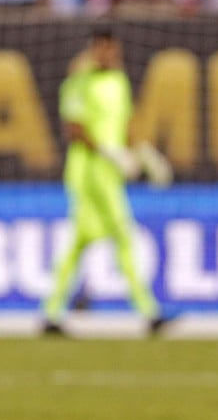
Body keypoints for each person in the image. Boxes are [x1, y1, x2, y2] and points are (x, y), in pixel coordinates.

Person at [41, 31, 166, 338]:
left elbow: (125, 126)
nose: (110, 55)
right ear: (93, 50)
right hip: (88, 171)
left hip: (110, 172)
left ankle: (52, 312)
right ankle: (149, 312)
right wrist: (109, 153)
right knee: (123, 234)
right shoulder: (79, 83)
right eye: (104, 50)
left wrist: (145, 154)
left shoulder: (119, 82)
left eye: (114, 49)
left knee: (78, 243)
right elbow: (73, 128)